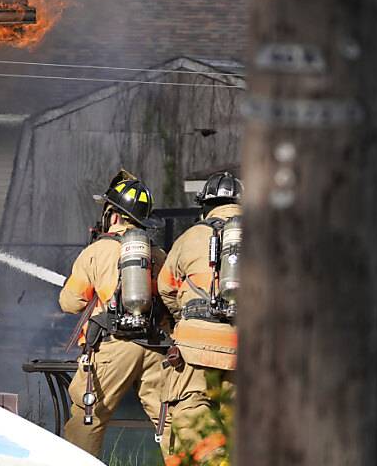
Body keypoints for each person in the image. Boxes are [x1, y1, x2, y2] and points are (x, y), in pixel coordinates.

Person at [59, 172, 170, 457]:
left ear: (115, 216)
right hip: (155, 347)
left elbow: (70, 303)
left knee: (88, 418)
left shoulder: (98, 251)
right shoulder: (158, 255)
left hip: (114, 346)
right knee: (168, 418)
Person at [157, 171, 242, 456]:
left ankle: (213, 460)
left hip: (196, 343)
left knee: (190, 409)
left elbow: (165, 287)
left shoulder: (191, 236)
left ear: (205, 206)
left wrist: (181, 318)